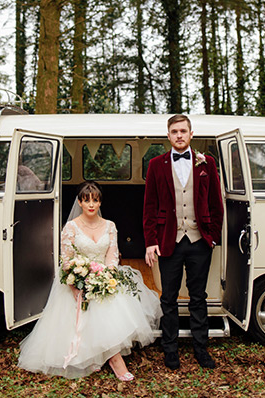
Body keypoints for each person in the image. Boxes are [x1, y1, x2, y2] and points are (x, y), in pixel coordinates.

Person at [18, 181, 161, 380]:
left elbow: (112, 256)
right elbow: (67, 261)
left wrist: (106, 278)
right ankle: (112, 358)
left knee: (106, 302)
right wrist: (76, 284)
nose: (91, 205)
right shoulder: (71, 227)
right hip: (77, 280)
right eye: (87, 201)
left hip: (103, 277)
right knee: (88, 305)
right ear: (80, 202)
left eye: (95, 200)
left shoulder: (110, 226)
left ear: (100, 203)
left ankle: (110, 356)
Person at [143, 114, 224, 370]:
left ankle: (201, 350)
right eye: (174, 131)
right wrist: (150, 241)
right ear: (168, 136)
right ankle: (170, 351)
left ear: (191, 134)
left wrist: (213, 236)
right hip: (170, 240)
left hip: (200, 240)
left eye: (183, 131)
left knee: (198, 297)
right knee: (168, 298)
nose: (179, 135)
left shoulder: (206, 163)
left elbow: (215, 203)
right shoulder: (156, 164)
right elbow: (149, 206)